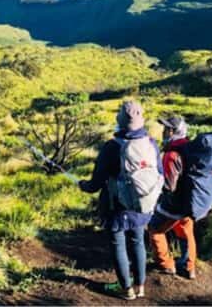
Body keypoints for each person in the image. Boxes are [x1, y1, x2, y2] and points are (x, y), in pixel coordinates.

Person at [79, 99, 162, 300]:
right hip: (143, 205)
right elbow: (160, 173)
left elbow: (96, 183)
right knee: (138, 242)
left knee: (118, 244)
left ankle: (126, 289)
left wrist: (83, 185)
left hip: (116, 207)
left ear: (120, 120)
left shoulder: (112, 146)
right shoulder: (151, 143)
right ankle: (140, 286)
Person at [148, 114, 198, 280]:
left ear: (173, 131)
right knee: (186, 232)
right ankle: (189, 268)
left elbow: (169, 186)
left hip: (174, 204)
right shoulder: (189, 147)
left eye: (167, 129)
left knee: (155, 228)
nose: (164, 132)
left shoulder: (171, 155)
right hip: (189, 202)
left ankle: (166, 264)